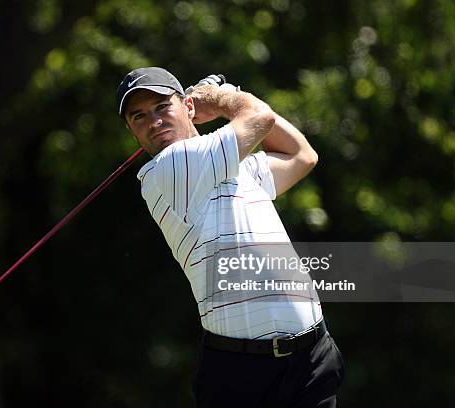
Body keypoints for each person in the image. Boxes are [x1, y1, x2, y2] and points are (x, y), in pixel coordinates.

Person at [116, 67, 345, 407]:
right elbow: (259, 116)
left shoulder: (235, 168)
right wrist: (223, 98)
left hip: (310, 357)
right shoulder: (167, 169)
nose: (154, 121)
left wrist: (225, 100)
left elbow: (302, 156)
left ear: (186, 107)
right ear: (133, 131)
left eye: (162, 107)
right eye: (139, 116)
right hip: (242, 374)